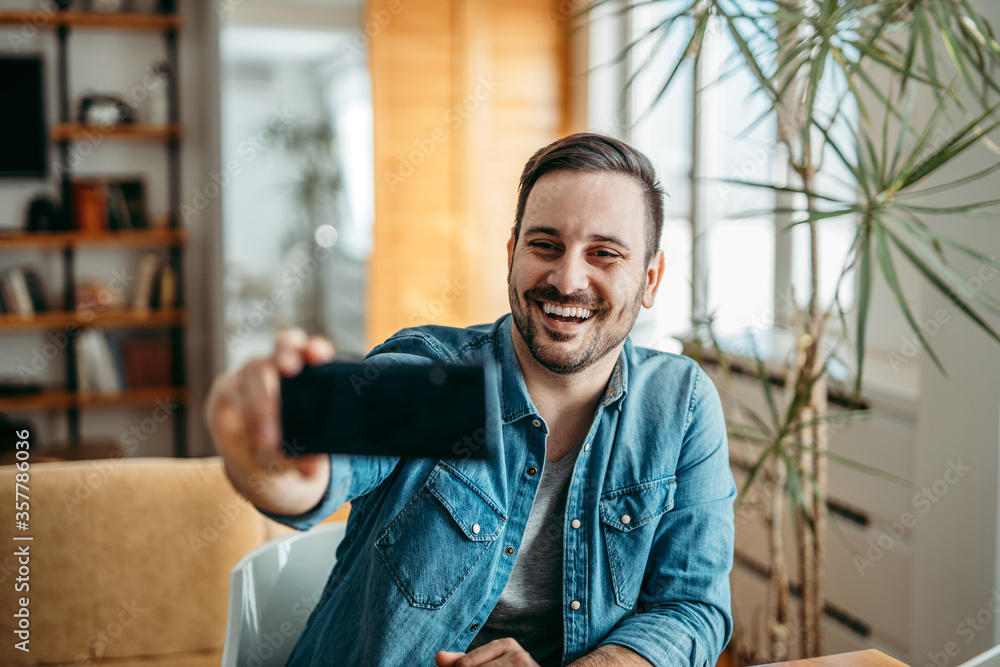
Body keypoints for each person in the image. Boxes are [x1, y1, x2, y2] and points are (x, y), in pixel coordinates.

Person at [206, 133, 736, 667]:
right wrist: (268, 457)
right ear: (512, 255)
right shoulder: (433, 373)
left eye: (604, 254)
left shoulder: (679, 405)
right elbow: (319, 473)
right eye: (545, 245)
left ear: (650, 278)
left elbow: (692, 607)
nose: (567, 278)